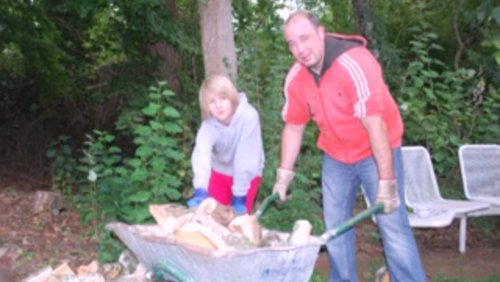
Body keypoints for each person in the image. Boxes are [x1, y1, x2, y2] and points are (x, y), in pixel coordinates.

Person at [272, 10, 426, 282]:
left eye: (305, 38)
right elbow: (294, 126)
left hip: (375, 150)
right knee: (336, 227)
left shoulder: (355, 62)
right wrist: (283, 176)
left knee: (392, 224)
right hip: (336, 156)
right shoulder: (297, 78)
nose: (300, 49)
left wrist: (387, 182)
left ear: (321, 33)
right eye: (292, 43)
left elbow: (375, 124)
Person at [186, 74, 265, 214]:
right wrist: (200, 190)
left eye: (223, 98)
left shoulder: (249, 117)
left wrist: (239, 196)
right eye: (212, 101)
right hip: (219, 173)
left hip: (247, 176)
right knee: (210, 218)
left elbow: (246, 157)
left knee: (237, 222)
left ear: (232, 97)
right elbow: (201, 157)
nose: (218, 105)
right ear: (206, 106)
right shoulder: (208, 127)